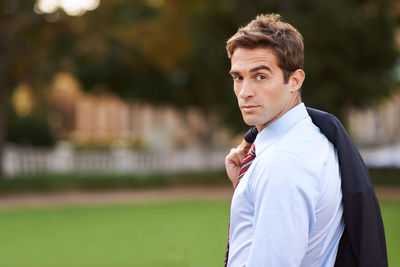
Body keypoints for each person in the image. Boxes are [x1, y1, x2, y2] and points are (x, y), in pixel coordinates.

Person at [224, 14, 387, 267]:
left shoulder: (284, 161)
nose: (245, 92)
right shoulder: (313, 138)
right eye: (238, 77)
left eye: (260, 76)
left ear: (295, 80)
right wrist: (247, 183)